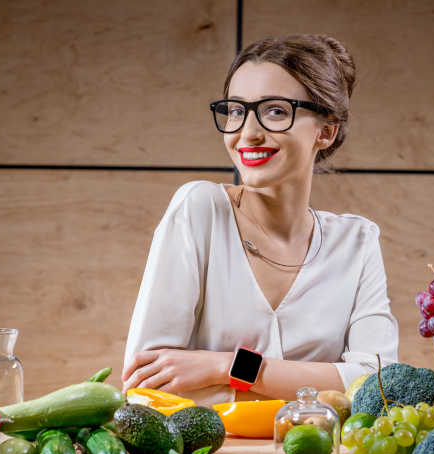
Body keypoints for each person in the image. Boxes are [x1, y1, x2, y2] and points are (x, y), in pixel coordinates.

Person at [122, 34, 398, 406]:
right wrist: (322, 380)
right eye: (236, 111)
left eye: (275, 111)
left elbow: (376, 386)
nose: (247, 133)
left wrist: (226, 367)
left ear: (326, 131)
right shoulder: (200, 209)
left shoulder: (357, 242)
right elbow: (147, 384)